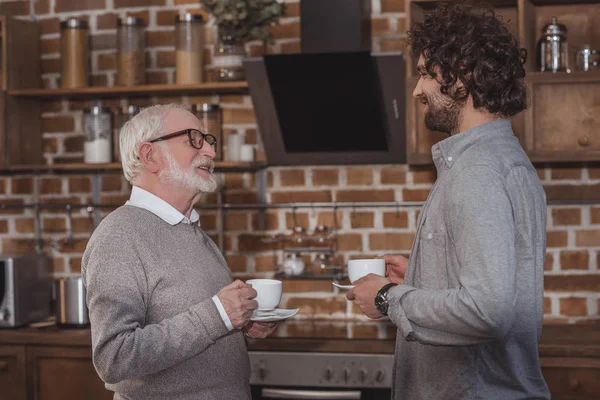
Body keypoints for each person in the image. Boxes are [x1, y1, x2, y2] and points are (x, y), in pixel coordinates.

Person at [347, 2, 550, 399]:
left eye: (425, 73)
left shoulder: (477, 171)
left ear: (461, 80)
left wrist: (388, 298)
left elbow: (487, 311)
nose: (417, 89)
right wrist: (425, 278)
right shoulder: (503, 159)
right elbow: (493, 288)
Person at [82, 103, 277, 400]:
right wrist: (219, 315)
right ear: (150, 155)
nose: (211, 153)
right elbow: (115, 357)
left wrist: (242, 324)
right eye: (193, 140)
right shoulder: (119, 237)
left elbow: (201, 326)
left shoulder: (192, 231)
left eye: (209, 142)